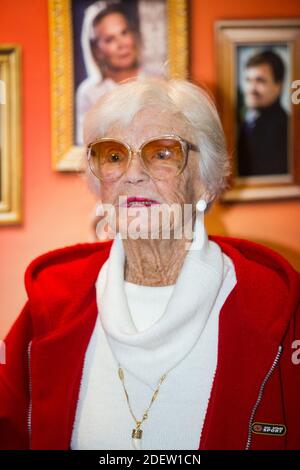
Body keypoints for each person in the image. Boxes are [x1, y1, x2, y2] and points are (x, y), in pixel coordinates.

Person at [0, 78, 299, 450]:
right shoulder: (52, 303)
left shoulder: (277, 307)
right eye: (113, 155)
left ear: (205, 183)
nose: (132, 173)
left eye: (162, 153)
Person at [76, 2, 143, 145]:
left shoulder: (158, 79)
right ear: (98, 50)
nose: (121, 44)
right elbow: (85, 143)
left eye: (124, 33)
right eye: (110, 39)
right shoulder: (89, 93)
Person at [237, 50, 289, 176]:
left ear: (278, 86)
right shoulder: (250, 120)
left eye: (260, 81)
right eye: (248, 80)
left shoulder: (285, 127)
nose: (251, 89)